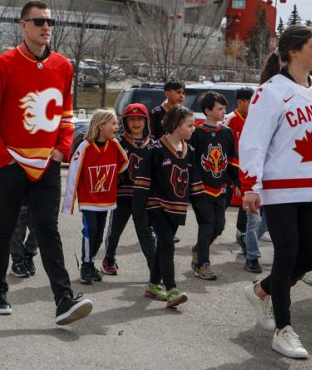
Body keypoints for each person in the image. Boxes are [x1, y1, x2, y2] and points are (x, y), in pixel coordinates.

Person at [0, 0, 93, 325]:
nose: (45, 27)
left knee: (48, 229)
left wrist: (62, 149)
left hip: (47, 164)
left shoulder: (63, 66)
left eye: (49, 22)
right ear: (23, 25)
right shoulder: (2, 65)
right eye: (38, 21)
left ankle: (64, 300)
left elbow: (66, 116)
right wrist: (3, 162)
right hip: (11, 163)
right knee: (3, 228)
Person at [240, 25, 312, 359]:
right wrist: (250, 186)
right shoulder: (270, 91)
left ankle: (261, 290)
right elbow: (252, 140)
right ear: (294, 51)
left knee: (310, 257)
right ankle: (283, 330)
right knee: (286, 254)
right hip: (280, 188)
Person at [144, 106, 202, 308]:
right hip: (156, 206)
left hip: (177, 207)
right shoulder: (155, 149)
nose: (193, 129)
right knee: (168, 244)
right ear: (177, 125)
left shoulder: (190, 151)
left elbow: (194, 182)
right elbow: (142, 182)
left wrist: (202, 210)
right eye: (190, 125)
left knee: (163, 246)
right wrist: (138, 212)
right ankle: (171, 289)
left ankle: (153, 285)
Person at [62, 109, 128, 284]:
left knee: (99, 234)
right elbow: (74, 173)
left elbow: (124, 162)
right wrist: (70, 201)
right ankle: (85, 264)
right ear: (101, 126)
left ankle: (90, 262)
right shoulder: (85, 146)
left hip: (107, 199)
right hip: (89, 199)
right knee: (90, 230)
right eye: (113, 123)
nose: (117, 127)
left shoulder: (114, 145)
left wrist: (115, 179)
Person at [100, 103, 158, 294]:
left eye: (139, 119)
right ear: (125, 122)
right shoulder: (117, 143)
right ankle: (108, 258)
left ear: (145, 121)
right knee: (115, 230)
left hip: (144, 198)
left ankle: (154, 269)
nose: (136, 123)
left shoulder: (154, 144)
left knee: (146, 233)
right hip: (122, 195)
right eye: (131, 119)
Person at [189, 91, 239, 280]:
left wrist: (236, 180)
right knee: (207, 225)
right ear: (208, 111)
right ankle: (202, 264)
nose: (224, 111)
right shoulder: (197, 133)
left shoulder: (226, 133)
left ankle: (198, 249)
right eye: (220, 108)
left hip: (222, 189)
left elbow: (233, 159)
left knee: (219, 227)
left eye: (225, 108)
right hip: (202, 190)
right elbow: (191, 162)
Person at [225, 87, 253, 256]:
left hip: (249, 167)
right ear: (240, 102)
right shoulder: (230, 119)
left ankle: (242, 231)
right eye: (250, 102)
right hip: (233, 168)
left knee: (247, 201)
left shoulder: (254, 118)